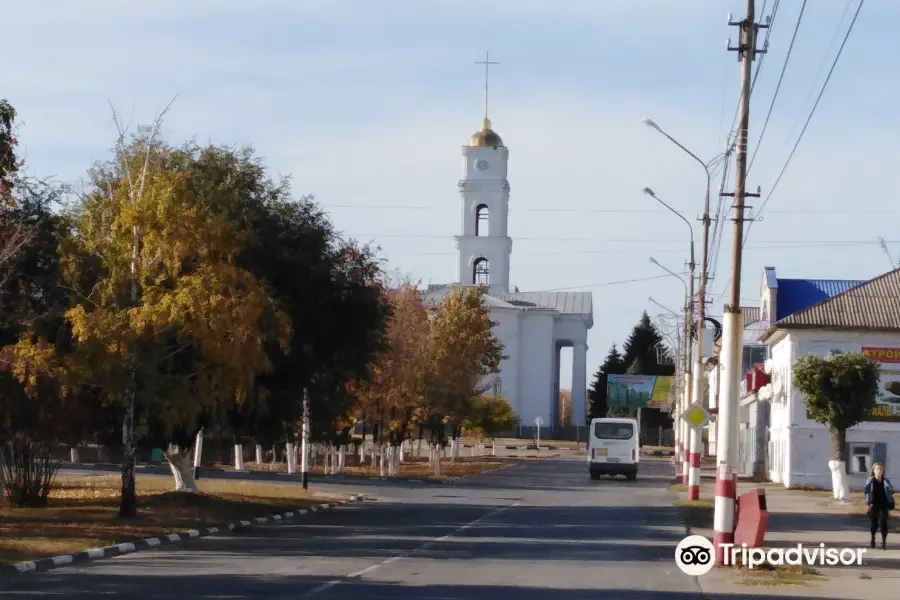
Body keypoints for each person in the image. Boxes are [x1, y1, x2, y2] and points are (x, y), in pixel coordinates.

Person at [864, 462, 895, 549]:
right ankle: (873, 538)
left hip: (884, 504)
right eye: (877, 469)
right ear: (874, 471)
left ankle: (884, 541)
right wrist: (868, 503)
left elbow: (890, 491)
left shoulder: (886, 481)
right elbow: (866, 492)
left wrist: (890, 500)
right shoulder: (870, 481)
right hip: (874, 504)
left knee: (883, 523)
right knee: (874, 523)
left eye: (881, 469)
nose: (879, 471)